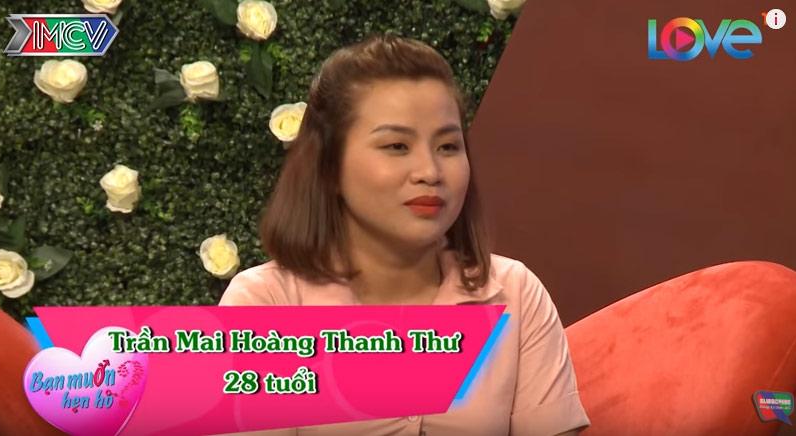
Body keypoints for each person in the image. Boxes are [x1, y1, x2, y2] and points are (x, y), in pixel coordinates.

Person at [219, 34, 590, 436]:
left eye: (448, 146)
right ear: (328, 167)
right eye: (397, 146)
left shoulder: (515, 292)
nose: (430, 171)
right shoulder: (263, 303)